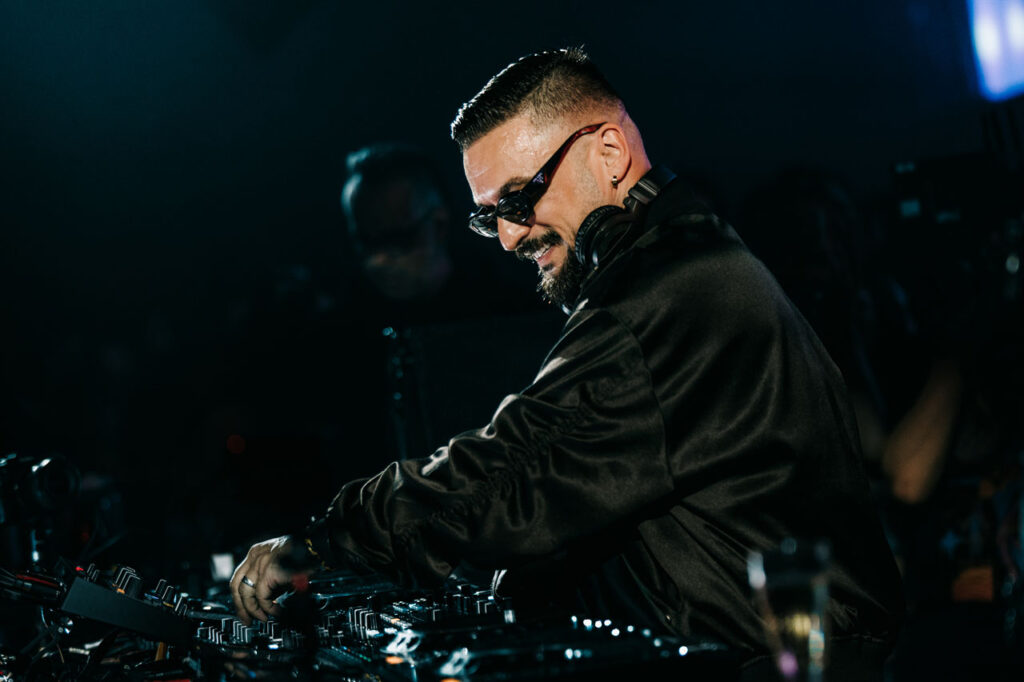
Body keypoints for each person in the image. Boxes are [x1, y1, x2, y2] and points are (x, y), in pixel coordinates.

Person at [231, 48, 904, 677]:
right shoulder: (683, 265)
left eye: (519, 199)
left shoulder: (669, 294)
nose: (508, 236)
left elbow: (512, 472)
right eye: (488, 217)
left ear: (609, 152)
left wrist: (324, 542)